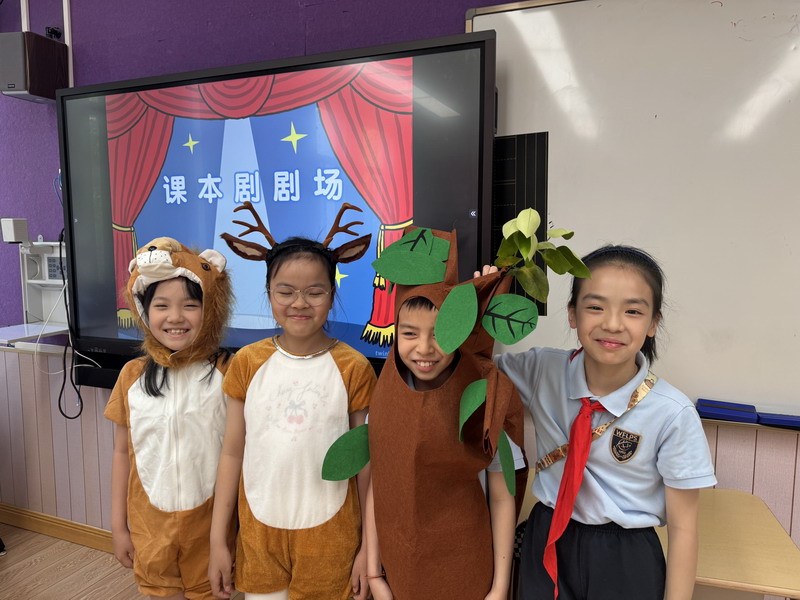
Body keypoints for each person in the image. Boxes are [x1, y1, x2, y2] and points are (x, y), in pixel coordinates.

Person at [490, 245, 717, 600]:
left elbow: (684, 529)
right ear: (572, 314)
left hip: (626, 554)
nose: (612, 324)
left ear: (653, 323)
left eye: (633, 311)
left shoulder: (673, 413)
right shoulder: (541, 370)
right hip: (547, 536)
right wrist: (479, 298)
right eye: (595, 307)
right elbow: (469, 368)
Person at [209, 203, 375, 600]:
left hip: (332, 538)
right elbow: (232, 452)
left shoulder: (353, 367)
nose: (299, 303)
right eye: (285, 291)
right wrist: (218, 540)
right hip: (259, 533)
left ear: (331, 295)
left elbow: (366, 463)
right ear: (269, 293)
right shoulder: (247, 362)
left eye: (314, 292)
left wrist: (370, 547)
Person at [365, 227, 527, 600]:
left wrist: (499, 587)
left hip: (467, 566)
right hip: (400, 568)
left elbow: (503, 497)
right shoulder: (384, 401)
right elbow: (379, 486)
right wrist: (374, 573)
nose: (424, 348)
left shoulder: (483, 398)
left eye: (440, 334)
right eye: (409, 334)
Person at [106, 237, 235, 600]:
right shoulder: (132, 376)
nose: (175, 317)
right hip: (151, 529)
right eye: (161, 305)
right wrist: (118, 526)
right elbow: (121, 453)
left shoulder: (228, 371)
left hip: (211, 529)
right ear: (144, 311)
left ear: (210, 310)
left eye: (190, 305)